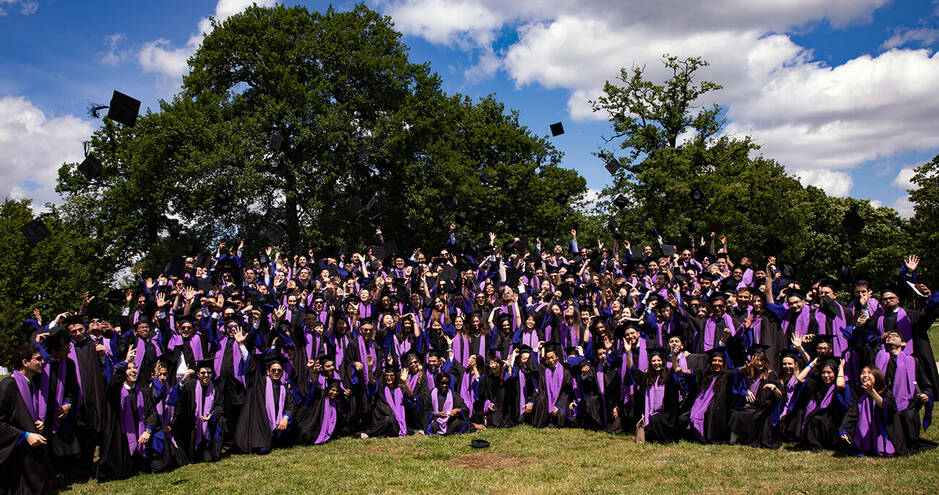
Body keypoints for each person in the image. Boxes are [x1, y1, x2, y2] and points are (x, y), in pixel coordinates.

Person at [0, 344, 54, 494]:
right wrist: (25, 435)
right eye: (38, 359)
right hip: (13, 454)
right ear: (25, 362)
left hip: (28, 453)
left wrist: (33, 422)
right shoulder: (8, 386)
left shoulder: (30, 384)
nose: (42, 362)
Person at [166, 359, 224, 463]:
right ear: (197, 374)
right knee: (190, 457)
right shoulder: (190, 385)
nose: (206, 375)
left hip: (207, 430)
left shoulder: (215, 388)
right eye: (203, 373)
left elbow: (220, 406)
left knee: (208, 458)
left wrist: (211, 415)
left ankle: (207, 449)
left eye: (209, 372)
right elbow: (173, 398)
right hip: (190, 428)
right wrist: (183, 380)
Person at [839, 365, 904, 457]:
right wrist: (844, 429)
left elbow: (886, 407)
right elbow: (851, 413)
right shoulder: (859, 394)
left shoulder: (886, 392)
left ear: (877, 376)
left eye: (869, 373)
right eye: (863, 373)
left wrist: (872, 392)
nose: (865, 375)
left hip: (884, 432)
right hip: (862, 433)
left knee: (883, 449)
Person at [728, 345, 784, 448]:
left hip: (763, 408)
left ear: (765, 361)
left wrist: (774, 388)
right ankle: (736, 436)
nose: (759, 363)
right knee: (734, 413)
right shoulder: (748, 374)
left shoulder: (771, 375)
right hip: (750, 406)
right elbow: (737, 386)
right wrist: (746, 391)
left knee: (744, 415)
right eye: (756, 360)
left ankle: (741, 437)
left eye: (761, 360)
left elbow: (780, 395)